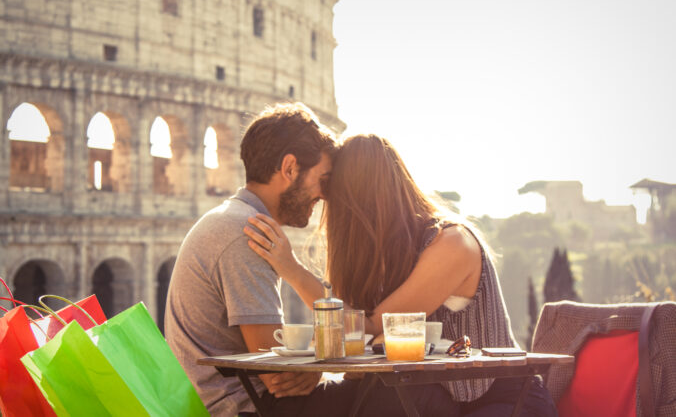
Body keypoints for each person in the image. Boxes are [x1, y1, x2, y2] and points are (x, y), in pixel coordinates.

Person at [245, 134, 558, 416]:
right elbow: (352, 339)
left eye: (337, 197)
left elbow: (363, 329)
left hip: (504, 401)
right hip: (429, 396)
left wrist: (292, 270)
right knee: (296, 406)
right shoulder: (377, 256)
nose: (330, 209)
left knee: (387, 399)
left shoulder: (452, 243)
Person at [164, 102, 361, 416]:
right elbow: (274, 372)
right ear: (289, 168)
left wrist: (313, 371)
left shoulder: (235, 220)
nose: (324, 195)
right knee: (386, 393)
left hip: (234, 402)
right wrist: (318, 370)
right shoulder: (246, 233)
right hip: (247, 408)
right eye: (322, 180)